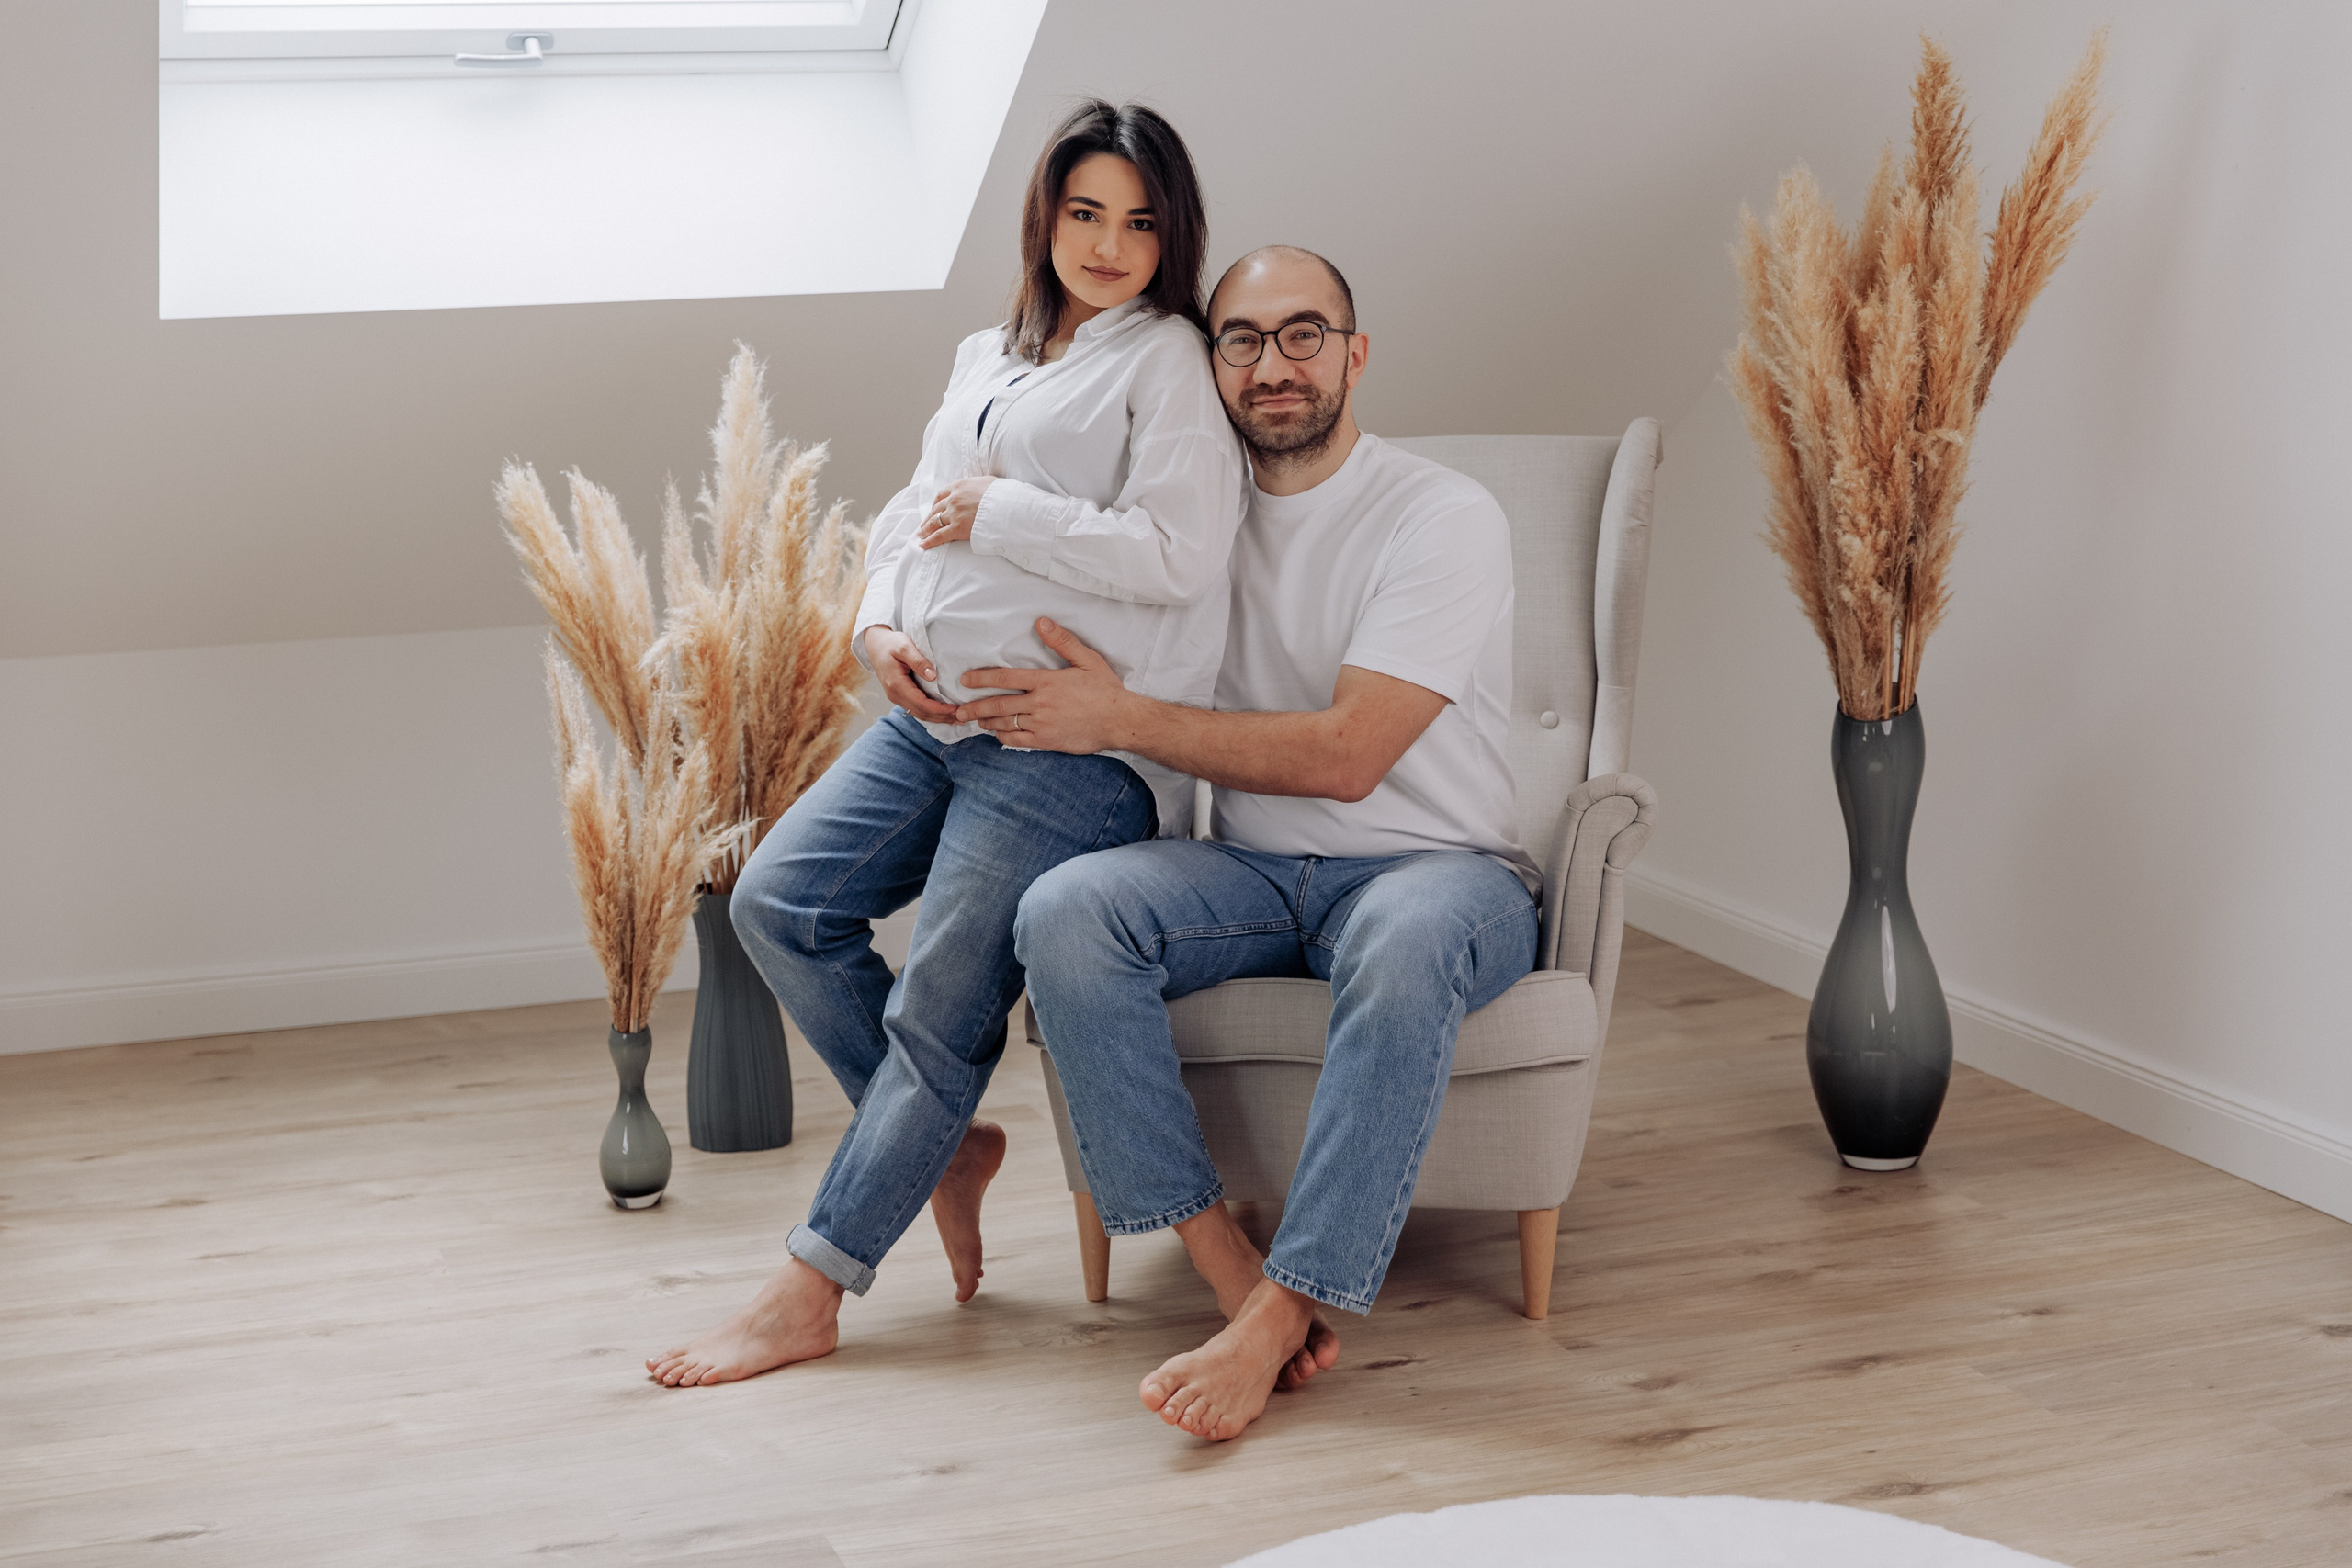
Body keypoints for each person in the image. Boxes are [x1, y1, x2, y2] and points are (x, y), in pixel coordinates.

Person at [646, 102, 1245, 1388]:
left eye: (1140, 222)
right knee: (779, 903)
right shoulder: (993, 349)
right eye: (1085, 211)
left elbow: (1181, 557)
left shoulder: (1170, 365)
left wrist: (1007, 508)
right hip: (931, 720)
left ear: (1170, 237)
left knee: (936, 1018)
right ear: (1046, 216)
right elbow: (909, 513)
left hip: (1063, 751)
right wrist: (874, 631)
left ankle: (810, 1291)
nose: (1109, 243)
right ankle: (946, 1148)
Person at [960, 245, 1539, 1441]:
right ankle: (1219, 1256)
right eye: (1242, 339)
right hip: (1258, 875)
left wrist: (1118, 717)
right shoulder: (1194, 523)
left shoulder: (1440, 515)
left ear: (1355, 353)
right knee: (1067, 913)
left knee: (1406, 940)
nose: (1273, 364)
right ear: (1209, 364)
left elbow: (1347, 755)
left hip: (1442, 871)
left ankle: (1288, 1310)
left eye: (1303, 334)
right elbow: (1017, 566)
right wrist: (895, 640)